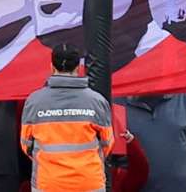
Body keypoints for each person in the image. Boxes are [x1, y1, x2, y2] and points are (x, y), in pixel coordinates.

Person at [16, 47, 114, 192]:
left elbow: (26, 144)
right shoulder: (97, 101)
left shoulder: (34, 101)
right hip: (89, 182)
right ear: (79, 67)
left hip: (49, 183)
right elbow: (107, 143)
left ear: (51, 67)